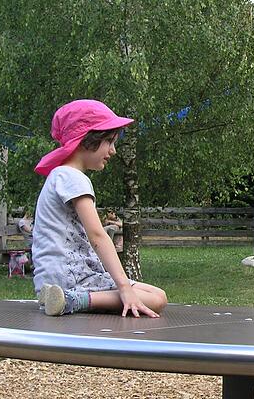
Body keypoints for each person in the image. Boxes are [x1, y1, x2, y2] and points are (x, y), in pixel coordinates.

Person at [32, 99, 167, 317]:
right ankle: (73, 301)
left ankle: (64, 298)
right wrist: (124, 288)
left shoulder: (60, 175)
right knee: (157, 299)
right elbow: (97, 235)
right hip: (72, 278)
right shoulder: (73, 177)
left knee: (153, 292)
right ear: (86, 140)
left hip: (53, 279)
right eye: (109, 141)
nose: (113, 151)